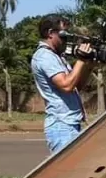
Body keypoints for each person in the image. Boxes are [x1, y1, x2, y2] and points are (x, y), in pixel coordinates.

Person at [31, 15, 94, 153]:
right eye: (63, 35)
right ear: (50, 33)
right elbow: (67, 85)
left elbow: (77, 86)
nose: (66, 40)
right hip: (61, 126)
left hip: (70, 124)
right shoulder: (44, 56)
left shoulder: (57, 57)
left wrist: (89, 64)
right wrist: (81, 60)